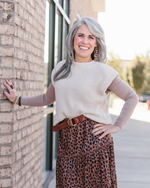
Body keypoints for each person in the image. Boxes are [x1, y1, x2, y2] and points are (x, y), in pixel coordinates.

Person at [3, 17, 138, 188]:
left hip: (94, 141)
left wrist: (116, 126)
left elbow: (131, 97)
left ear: (96, 43)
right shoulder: (61, 69)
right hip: (67, 142)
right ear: (72, 38)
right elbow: (47, 98)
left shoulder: (103, 71)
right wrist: (17, 99)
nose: (85, 41)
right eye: (80, 35)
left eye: (91, 37)